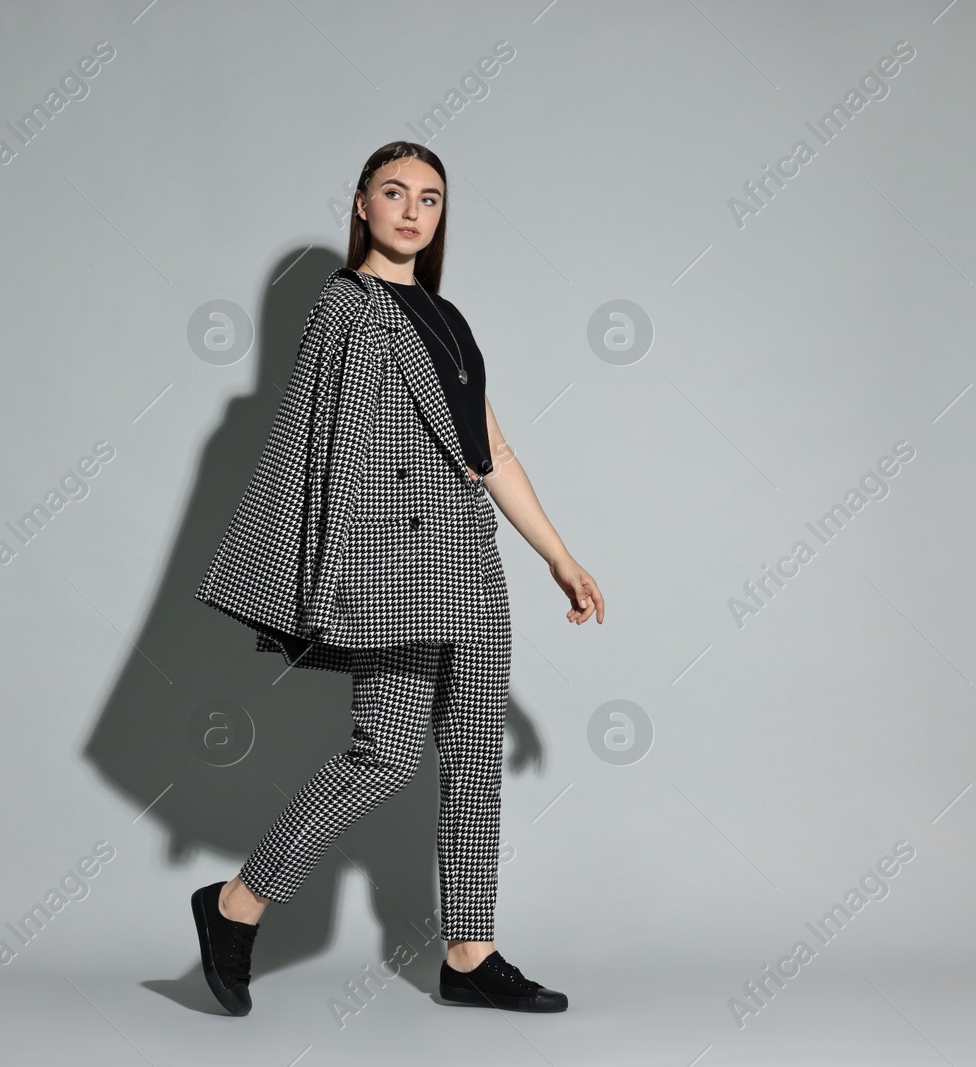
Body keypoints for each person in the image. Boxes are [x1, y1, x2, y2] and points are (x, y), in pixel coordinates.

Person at [190, 141, 604, 1016]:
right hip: (395, 568)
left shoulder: (448, 320)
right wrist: (335, 582)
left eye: (430, 197)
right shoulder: (346, 305)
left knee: (475, 762)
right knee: (383, 756)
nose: (413, 211)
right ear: (362, 204)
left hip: (471, 563)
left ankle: (469, 949)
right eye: (394, 192)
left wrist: (558, 555)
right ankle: (236, 903)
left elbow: (487, 451)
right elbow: (326, 447)